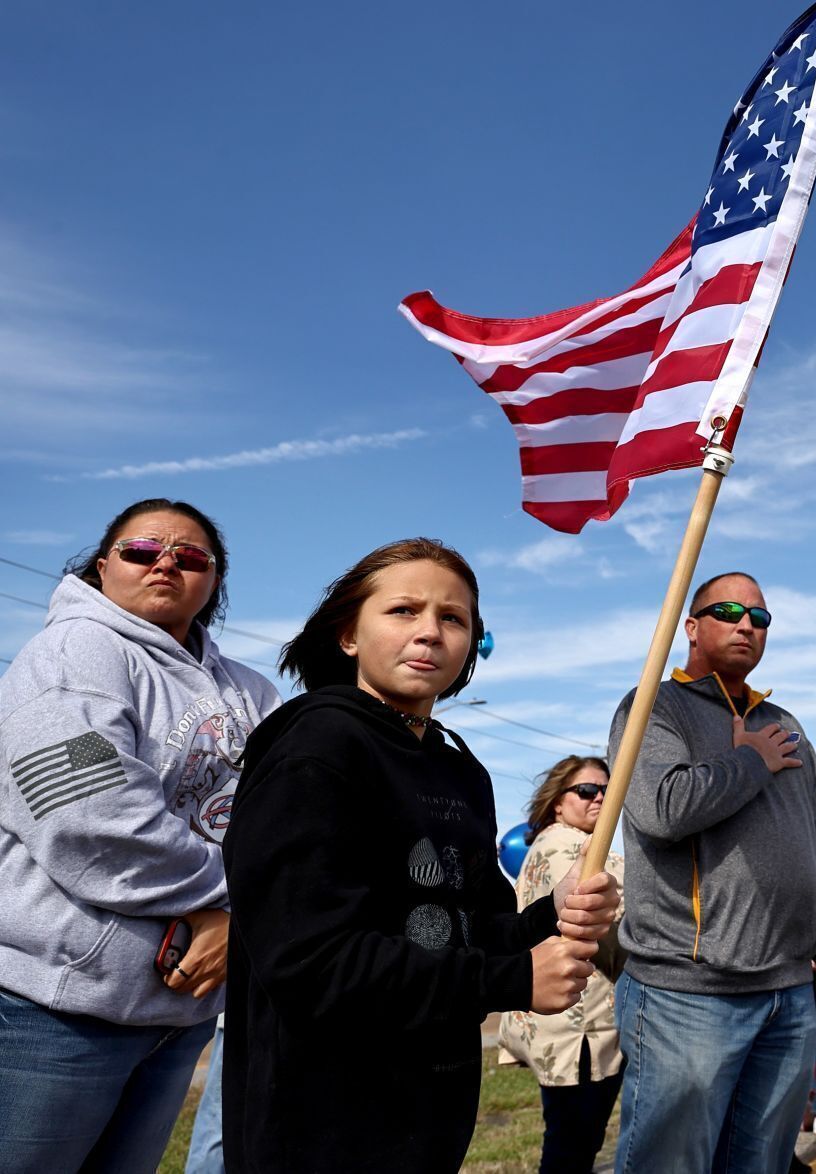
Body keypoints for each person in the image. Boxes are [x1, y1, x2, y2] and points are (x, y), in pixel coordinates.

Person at [222, 539, 619, 1171]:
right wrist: (515, 980)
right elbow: (308, 962)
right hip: (323, 1123)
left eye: (453, 618)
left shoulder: (462, 770)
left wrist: (552, 914)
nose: (429, 632)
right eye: (403, 610)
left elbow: (473, 930)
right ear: (348, 634)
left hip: (432, 1113)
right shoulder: (315, 745)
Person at [0, 499, 280, 1174]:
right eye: (142, 550)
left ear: (214, 582)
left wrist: (235, 916)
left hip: (176, 1019)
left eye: (190, 558)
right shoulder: (71, 654)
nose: (165, 563)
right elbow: (89, 820)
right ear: (103, 567)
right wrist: (229, 900)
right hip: (56, 1008)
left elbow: (290, 828)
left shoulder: (255, 693)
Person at [607, 571, 816, 1172]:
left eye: (760, 617)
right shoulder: (652, 706)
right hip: (687, 996)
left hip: (789, 995)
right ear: (691, 627)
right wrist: (750, 760)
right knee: (670, 1165)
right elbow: (663, 811)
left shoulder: (787, 723)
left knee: (761, 1165)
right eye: (728, 611)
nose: (747, 624)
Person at [498, 755, 628, 1173]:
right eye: (587, 790)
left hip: (556, 1022)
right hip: (579, 1029)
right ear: (558, 801)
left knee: (569, 1139)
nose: (600, 798)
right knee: (573, 1145)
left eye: (607, 791)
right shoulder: (569, 846)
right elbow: (629, 903)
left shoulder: (541, 843)